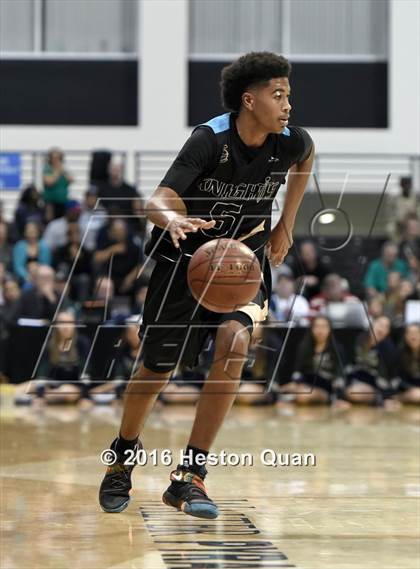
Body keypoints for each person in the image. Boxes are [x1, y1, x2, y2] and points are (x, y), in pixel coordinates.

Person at [98, 51, 315, 518]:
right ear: (248, 100)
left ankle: (189, 477)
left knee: (234, 342)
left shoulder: (289, 141)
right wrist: (173, 220)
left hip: (244, 263)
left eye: (289, 96)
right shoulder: (208, 139)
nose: (287, 105)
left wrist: (286, 224)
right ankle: (122, 458)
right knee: (155, 370)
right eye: (278, 95)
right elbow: (159, 197)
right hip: (186, 264)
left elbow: (307, 157)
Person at [281, 316, 348, 405]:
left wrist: (338, 397)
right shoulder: (304, 347)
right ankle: (290, 398)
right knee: (285, 388)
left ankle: (294, 398)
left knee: (304, 395)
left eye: (324, 327)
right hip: (306, 384)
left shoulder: (337, 349)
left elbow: (340, 376)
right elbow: (298, 371)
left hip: (326, 388)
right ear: (311, 329)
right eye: (317, 327)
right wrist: (297, 383)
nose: (320, 330)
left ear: (330, 329)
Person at [346, 316, 398, 406]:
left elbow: (389, 376)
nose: (381, 328)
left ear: (388, 332)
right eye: (380, 324)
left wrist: (385, 398)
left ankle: (378, 400)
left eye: (386, 327)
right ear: (372, 324)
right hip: (355, 379)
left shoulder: (389, 349)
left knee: (354, 393)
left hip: (374, 385)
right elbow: (349, 364)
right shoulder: (360, 339)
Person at [94, 219, 144, 297]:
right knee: (104, 284)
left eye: (121, 231)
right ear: (112, 232)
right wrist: (111, 250)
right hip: (110, 278)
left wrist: (129, 279)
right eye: (116, 231)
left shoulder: (133, 246)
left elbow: (140, 265)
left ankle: (137, 308)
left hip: (128, 277)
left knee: (143, 283)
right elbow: (96, 259)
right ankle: (104, 308)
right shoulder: (107, 244)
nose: (119, 233)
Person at [97, 159, 146, 237]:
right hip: (107, 223)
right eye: (113, 169)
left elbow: (138, 208)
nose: (115, 172)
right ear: (108, 170)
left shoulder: (130, 190)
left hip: (127, 225)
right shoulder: (102, 189)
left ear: (121, 170)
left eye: (117, 169)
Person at [43, 148, 74, 220]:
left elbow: (71, 179)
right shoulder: (47, 169)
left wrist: (63, 171)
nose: (56, 160)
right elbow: (50, 182)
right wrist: (58, 171)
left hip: (63, 202)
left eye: (58, 158)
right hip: (51, 204)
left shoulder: (63, 170)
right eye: (54, 158)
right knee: (50, 221)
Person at [395, 324, 420, 404]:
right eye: (410, 333)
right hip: (407, 391)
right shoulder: (399, 354)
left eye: (416, 333)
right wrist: (413, 389)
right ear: (405, 336)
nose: (413, 336)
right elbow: (398, 380)